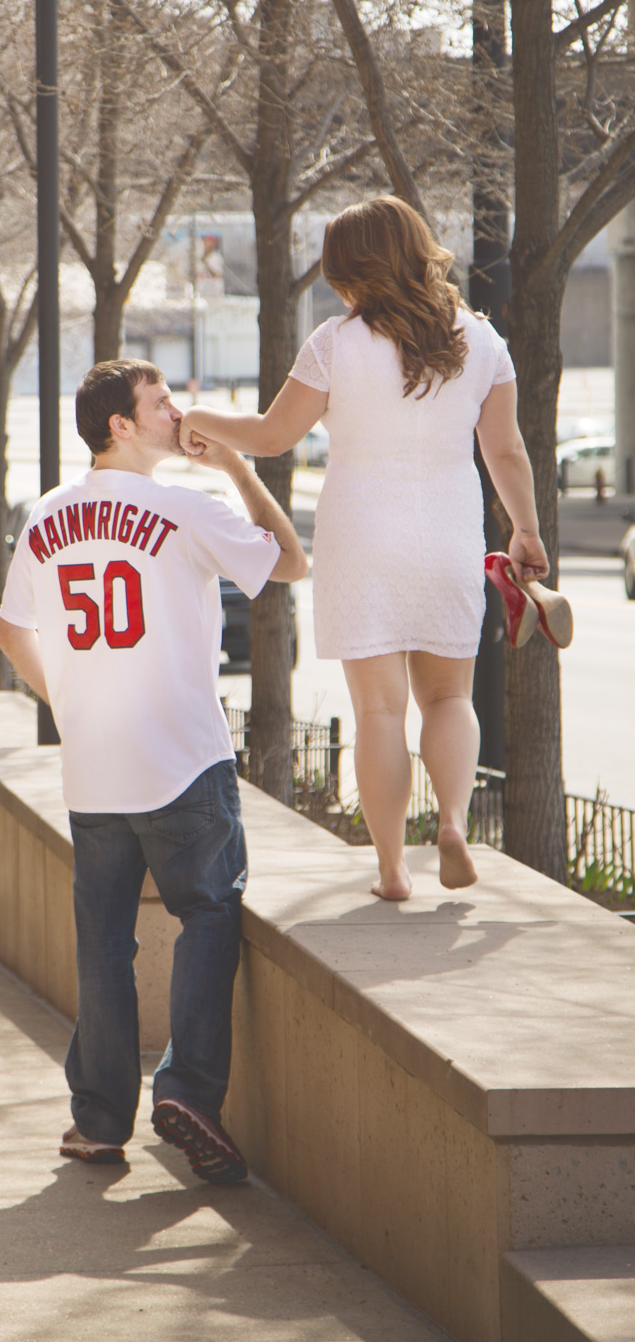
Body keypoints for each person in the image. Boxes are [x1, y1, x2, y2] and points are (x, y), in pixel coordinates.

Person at [179, 196, 549, 901]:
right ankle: (451, 824)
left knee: (379, 712)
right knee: (448, 698)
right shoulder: (481, 342)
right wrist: (525, 530)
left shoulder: (335, 343)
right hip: (445, 533)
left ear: (347, 268)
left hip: (358, 537)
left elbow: (269, 436)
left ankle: (389, 869)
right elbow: (504, 450)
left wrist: (196, 416)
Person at [0, 359, 308, 1182]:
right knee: (208, 914)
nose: (178, 411)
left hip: (93, 765)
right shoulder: (181, 505)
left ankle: (99, 1121)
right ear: (120, 426)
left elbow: (8, 630)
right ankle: (189, 1091)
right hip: (180, 757)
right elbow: (289, 562)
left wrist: (65, 699)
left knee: (103, 944)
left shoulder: (45, 516)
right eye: (161, 402)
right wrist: (237, 463)